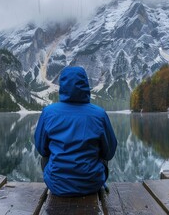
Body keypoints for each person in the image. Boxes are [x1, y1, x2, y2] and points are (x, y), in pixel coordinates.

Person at [34, 66, 117, 197]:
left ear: (62, 85)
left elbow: (41, 149)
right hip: (92, 184)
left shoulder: (48, 113)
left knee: (46, 154)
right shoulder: (99, 114)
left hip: (56, 185)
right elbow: (109, 153)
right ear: (85, 84)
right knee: (102, 152)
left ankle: (58, 178)